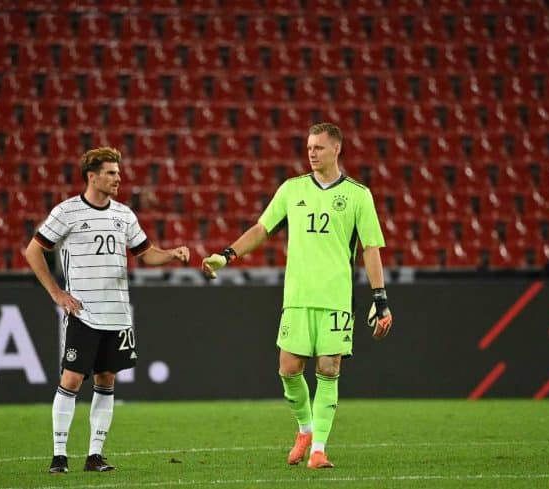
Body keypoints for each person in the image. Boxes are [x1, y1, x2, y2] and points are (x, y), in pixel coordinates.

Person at [202, 123, 393, 469]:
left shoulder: (357, 195)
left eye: (318, 147)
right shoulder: (292, 189)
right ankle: (305, 430)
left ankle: (318, 449)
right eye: (309, 147)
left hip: (335, 298)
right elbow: (262, 228)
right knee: (289, 369)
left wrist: (380, 299)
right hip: (298, 297)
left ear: (336, 149)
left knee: (329, 368)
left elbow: (371, 248)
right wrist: (227, 255)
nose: (311, 153)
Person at [25, 147, 190, 474]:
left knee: (106, 379)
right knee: (71, 379)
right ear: (92, 176)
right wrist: (57, 293)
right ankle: (59, 455)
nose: (118, 178)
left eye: (118, 172)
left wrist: (171, 253)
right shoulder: (67, 212)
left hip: (117, 314)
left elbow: (146, 253)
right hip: (83, 313)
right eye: (111, 173)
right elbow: (34, 250)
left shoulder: (124, 215)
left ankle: (94, 455)